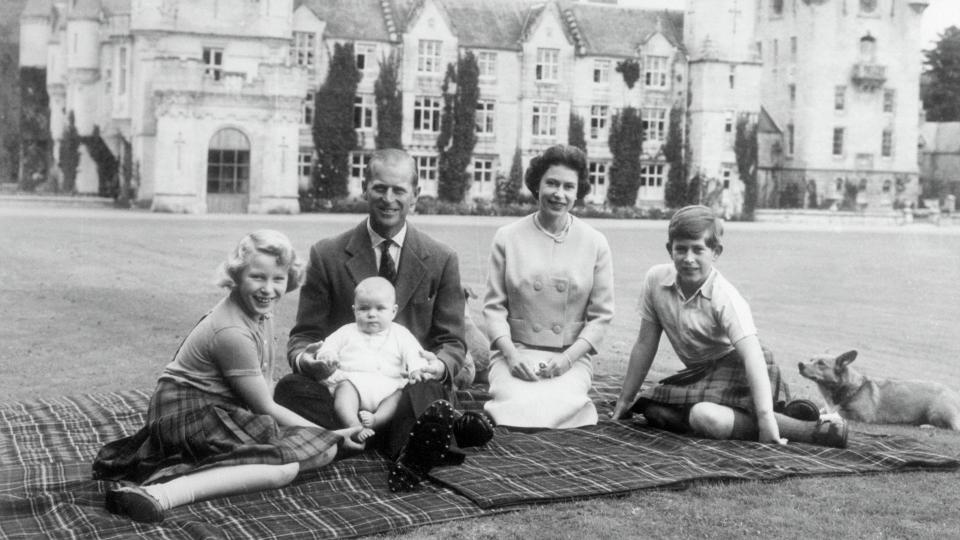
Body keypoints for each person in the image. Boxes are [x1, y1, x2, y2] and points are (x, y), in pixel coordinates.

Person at [92, 230, 363, 523]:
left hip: (219, 410)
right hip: (186, 413)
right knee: (287, 467)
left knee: (319, 452)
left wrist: (318, 435)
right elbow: (265, 407)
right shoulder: (231, 331)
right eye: (257, 277)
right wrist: (330, 433)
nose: (268, 289)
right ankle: (161, 493)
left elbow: (265, 385)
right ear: (236, 275)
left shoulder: (261, 313)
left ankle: (205, 467)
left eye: (278, 279)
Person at [274, 148, 493, 492]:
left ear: (415, 196)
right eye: (379, 188)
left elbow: (452, 342)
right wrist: (309, 360)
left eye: (399, 190)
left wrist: (438, 366)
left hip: (406, 389)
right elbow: (303, 336)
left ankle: (369, 440)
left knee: (430, 391)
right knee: (290, 389)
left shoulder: (441, 258)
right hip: (343, 388)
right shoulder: (327, 254)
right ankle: (418, 441)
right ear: (364, 188)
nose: (388, 199)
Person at [610, 206, 848, 448]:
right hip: (700, 374)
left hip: (742, 367)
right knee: (651, 409)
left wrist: (765, 419)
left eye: (698, 249)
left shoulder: (725, 297)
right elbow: (645, 344)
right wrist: (624, 400)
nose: (688, 258)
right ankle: (787, 413)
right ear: (669, 249)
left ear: (715, 252)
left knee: (704, 416)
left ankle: (815, 430)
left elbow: (753, 356)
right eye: (681, 249)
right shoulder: (655, 280)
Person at [482, 144, 614, 429]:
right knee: (518, 406)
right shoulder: (507, 237)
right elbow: (493, 308)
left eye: (568, 186)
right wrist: (512, 355)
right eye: (551, 183)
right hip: (516, 351)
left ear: (578, 192)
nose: (559, 194)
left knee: (557, 407)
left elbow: (601, 317)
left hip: (569, 356)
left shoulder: (595, 242)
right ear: (536, 185)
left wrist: (568, 359)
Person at [318, 276, 433, 442]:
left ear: (393, 311)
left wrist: (416, 368)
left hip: (388, 385)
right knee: (344, 392)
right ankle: (354, 425)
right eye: (364, 309)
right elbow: (329, 346)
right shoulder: (347, 331)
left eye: (380, 309)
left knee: (398, 396)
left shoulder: (400, 334)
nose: (372, 314)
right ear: (354, 310)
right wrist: (328, 354)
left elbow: (414, 352)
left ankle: (376, 420)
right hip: (354, 381)